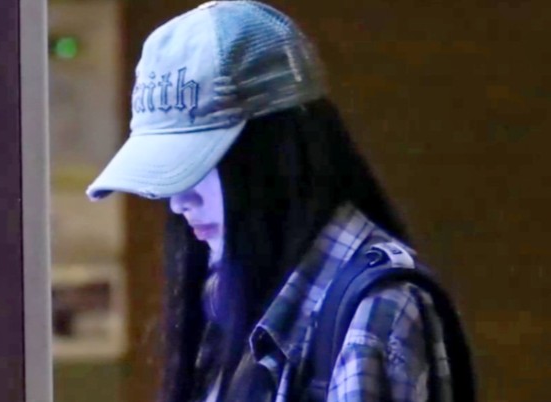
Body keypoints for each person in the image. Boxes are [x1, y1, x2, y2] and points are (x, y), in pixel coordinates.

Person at [87, 1, 470, 401]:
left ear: (276, 153)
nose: (179, 202)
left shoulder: (375, 311)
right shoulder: (224, 291)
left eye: (198, 164)